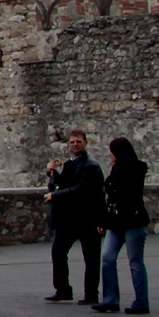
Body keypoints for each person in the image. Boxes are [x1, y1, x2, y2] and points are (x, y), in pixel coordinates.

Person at [44, 127, 104, 304]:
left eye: (78, 141)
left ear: (85, 142)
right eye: (72, 142)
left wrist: (54, 195)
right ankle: (63, 289)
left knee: (91, 257)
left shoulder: (91, 166)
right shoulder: (70, 164)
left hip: (87, 217)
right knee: (58, 252)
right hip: (70, 217)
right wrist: (53, 173)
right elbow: (64, 185)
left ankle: (91, 294)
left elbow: (81, 190)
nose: (75, 145)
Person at [92, 137, 151, 315]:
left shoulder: (134, 169)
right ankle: (110, 299)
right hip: (116, 221)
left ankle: (141, 302)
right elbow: (111, 199)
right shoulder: (117, 169)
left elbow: (122, 195)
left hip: (133, 221)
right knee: (107, 257)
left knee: (135, 261)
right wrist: (104, 220)